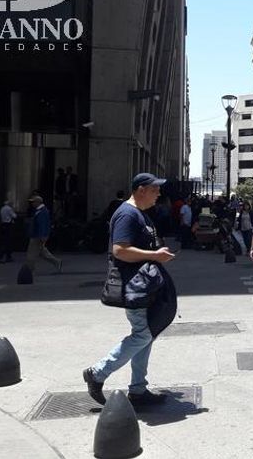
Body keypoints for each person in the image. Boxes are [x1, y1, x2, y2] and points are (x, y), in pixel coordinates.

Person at [83, 173, 176, 406]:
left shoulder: (141, 214)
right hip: (134, 286)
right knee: (142, 335)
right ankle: (97, 373)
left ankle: (138, 389)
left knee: (146, 336)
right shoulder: (127, 214)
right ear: (141, 190)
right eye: (155, 189)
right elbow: (120, 250)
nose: (159, 194)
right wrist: (154, 255)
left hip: (145, 286)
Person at [25, 195, 62, 274]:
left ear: (38, 202)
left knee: (31, 254)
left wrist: (42, 235)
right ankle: (57, 262)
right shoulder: (40, 210)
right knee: (43, 252)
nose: (32, 203)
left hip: (37, 236)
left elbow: (42, 225)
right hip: (37, 235)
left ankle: (29, 269)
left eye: (33, 202)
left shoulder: (42, 211)